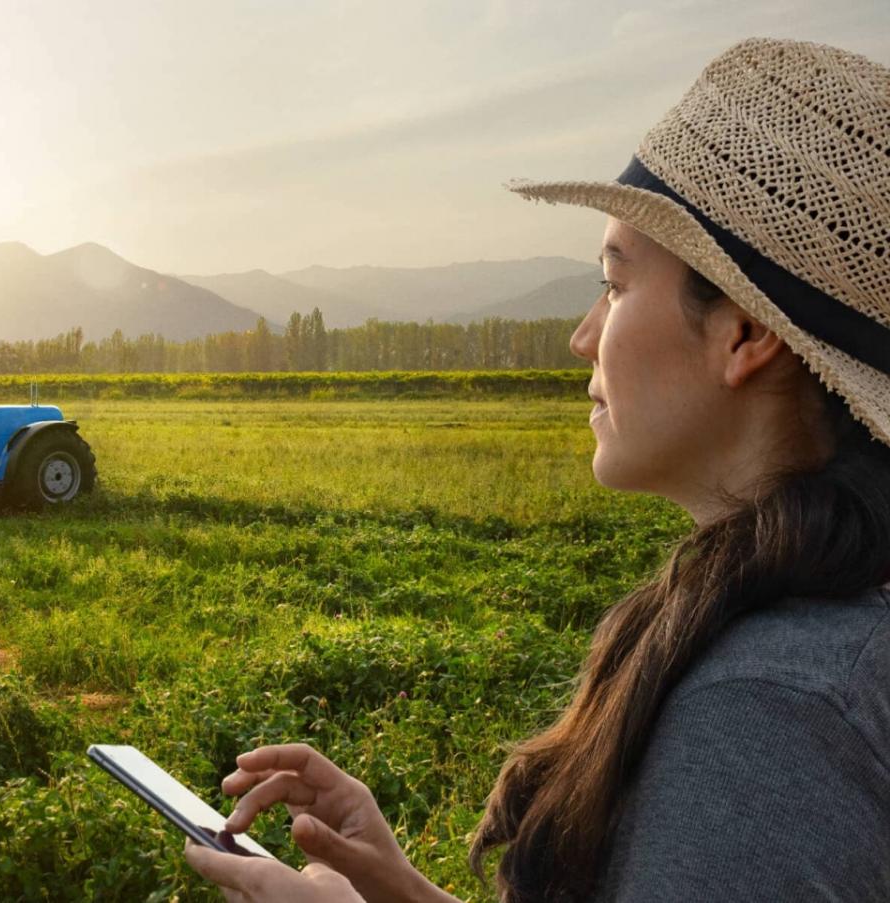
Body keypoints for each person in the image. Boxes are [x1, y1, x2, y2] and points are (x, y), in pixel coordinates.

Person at [185, 36, 890, 902]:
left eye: (617, 284)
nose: (583, 337)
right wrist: (404, 892)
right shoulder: (813, 648)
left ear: (745, 332)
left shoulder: (767, 718)